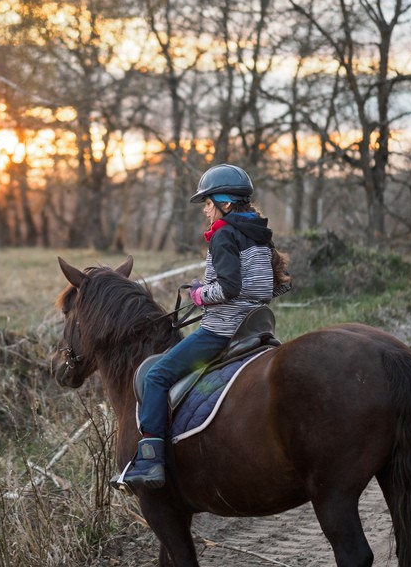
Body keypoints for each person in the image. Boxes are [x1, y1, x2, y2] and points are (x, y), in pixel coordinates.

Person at [122, 163, 291, 490]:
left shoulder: (225, 233)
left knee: (157, 376)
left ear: (225, 203)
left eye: (209, 204)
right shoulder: (258, 234)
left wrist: (200, 294)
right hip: (254, 325)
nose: (207, 211)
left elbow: (228, 288)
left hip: (222, 330)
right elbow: (273, 286)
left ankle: (151, 460)